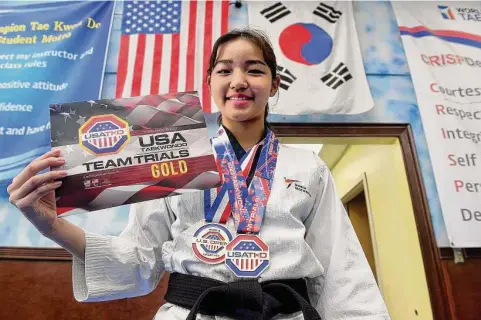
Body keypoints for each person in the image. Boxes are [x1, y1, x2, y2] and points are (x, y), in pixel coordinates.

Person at [7, 29, 390, 320]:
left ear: (274, 85)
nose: (239, 80)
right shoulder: (172, 160)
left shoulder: (309, 167)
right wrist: (50, 226)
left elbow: (340, 268)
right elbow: (139, 261)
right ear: (210, 84)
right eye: (225, 70)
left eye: (254, 70)